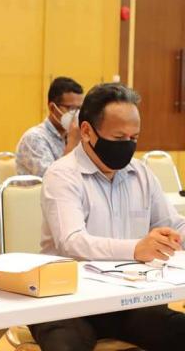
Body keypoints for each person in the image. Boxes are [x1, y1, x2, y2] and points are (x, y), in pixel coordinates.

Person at [30, 83, 185, 351]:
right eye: (119, 138)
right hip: (66, 301)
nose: (128, 146)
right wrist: (136, 248)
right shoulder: (63, 175)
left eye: (134, 138)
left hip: (127, 300)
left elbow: (173, 225)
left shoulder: (141, 174)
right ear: (87, 131)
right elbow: (72, 242)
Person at [16, 77, 84, 177]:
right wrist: (73, 143)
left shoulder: (70, 135)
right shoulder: (34, 138)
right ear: (52, 108)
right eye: (71, 108)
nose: (76, 114)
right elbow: (54, 179)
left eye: (79, 108)